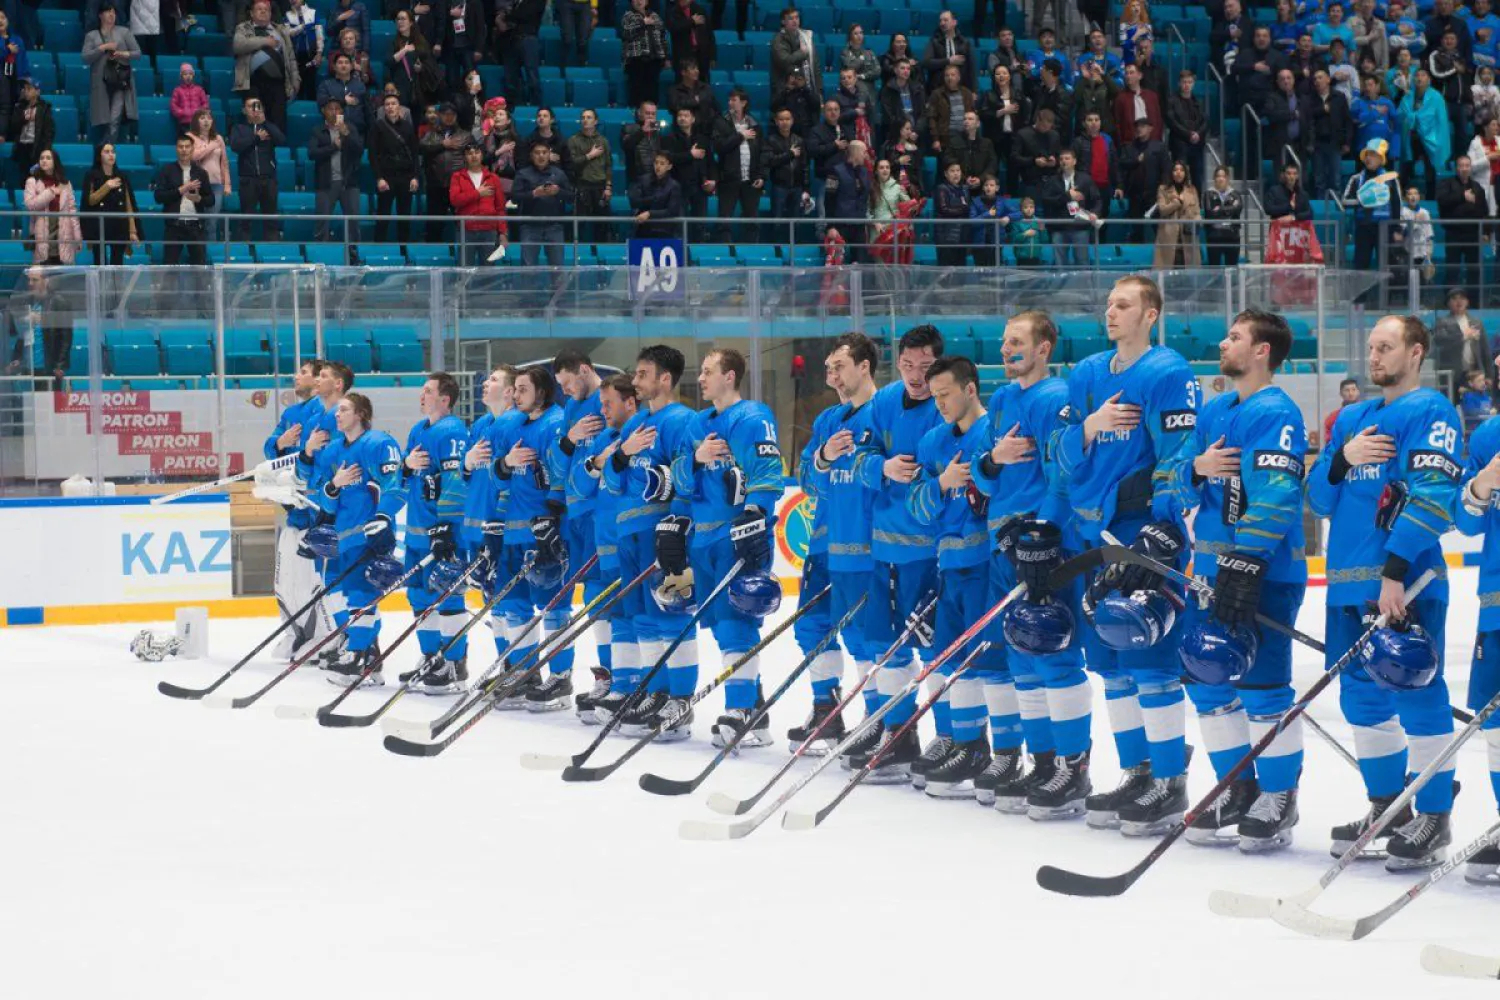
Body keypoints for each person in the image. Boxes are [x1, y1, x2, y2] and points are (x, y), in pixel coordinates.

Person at [1307, 315, 1461, 869]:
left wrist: (1395, 571)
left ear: (1416, 353)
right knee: (1362, 700)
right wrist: (1343, 459)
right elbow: (1320, 501)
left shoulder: (1431, 412)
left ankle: (1435, 815)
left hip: (1405, 583)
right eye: (1371, 347)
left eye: (1386, 346)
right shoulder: (1350, 418)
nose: (1374, 356)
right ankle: (1387, 808)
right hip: (1347, 588)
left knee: (1416, 690)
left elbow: (1434, 496)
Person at [1055, 275, 1198, 835]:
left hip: (1142, 532)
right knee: (1110, 664)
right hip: (1095, 535)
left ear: (1152, 315)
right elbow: (1060, 455)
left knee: (1148, 658)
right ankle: (1138, 773)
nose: (1110, 312)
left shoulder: (1168, 372)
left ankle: (1169, 780)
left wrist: (1163, 524)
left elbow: (1179, 453)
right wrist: (1089, 426)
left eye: (1124, 305)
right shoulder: (1088, 373)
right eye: (1108, 304)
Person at [1172, 311, 1310, 850]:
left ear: (1262, 352)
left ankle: (1279, 793)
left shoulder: (1276, 411)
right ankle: (1237, 786)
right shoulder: (1215, 410)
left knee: (1263, 687)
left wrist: (1247, 559)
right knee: (1206, 679)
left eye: (1234, 337)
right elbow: (1175, 480)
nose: (1223, 342)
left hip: (1262, 574)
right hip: (1207, 573)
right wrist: (1197, 469)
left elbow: (1276, 491)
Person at [967, 311, 1093, 816]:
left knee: (1054, 650)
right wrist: (993, 459)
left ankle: (1073, 767)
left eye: (1016, 341)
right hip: (1003, 541)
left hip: (1044, 545)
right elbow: (985, 474)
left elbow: (1064, 472)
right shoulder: (1000, 400)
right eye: (1003, 341)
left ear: (1044, 347)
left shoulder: (1058, 398)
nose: (1005, 349)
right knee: (1021, 653)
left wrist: (1044, 530)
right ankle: (1041, 762)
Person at [887, 354, 996, 796]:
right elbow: (916, 506)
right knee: (951, 660)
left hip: (988, 563)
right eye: (935, 396)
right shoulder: (934, 441)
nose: (941, 403)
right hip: (947, 564)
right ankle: (965, 743)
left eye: (946, 394)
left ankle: (993, 751)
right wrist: (941, 484)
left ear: (970, 389)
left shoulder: (994, 431)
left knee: (988, 660)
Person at [841, 325, 945, 779]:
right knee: (887, 648)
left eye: (925, 367)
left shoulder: (947, 405)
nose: (916, 376)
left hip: (931, 553)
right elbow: (860, 460)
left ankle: (950, 739)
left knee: (938, 649)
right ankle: (899, 735)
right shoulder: (883, 402)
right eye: (908, 366)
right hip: (884, 551)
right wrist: (882, 466)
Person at [668, 350, 783, 745]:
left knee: (738, 622)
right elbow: (680, 479)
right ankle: (755, 704)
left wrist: (756, 513)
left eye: (707, 371)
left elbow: (769, 472)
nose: (699, 378)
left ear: (730, 376)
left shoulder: (753, 417)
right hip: (703, 539)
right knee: (719, 625)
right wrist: (697, 460)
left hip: (738, 537)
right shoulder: (696, 424)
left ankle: (741, 710)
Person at [596, 346, 697, 735]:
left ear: (664, 380)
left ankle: (680, 701)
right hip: (628, 532)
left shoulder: (682, 421)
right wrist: (620, 458)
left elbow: (688, 477)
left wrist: (677, 518)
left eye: (642, 374)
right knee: (641, 617)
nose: (635, 382)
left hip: (661, 532)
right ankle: (656, 691)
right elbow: (612, 481)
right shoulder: (634, 425)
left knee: (668, 613)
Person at [790, 332, 880, 751]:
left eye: (839, 365)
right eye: (828, 367)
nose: (831, 374)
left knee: (864, 634)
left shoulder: (883, 413)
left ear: (864, 366)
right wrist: (823, 456)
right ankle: (826, 708)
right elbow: (808, 479)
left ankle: (875, 717)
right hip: (824, 546)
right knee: (812, 628)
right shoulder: (828, 420)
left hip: (864, 549)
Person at [303, 391, 407, 687]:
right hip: (343, 537)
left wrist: (383, 517)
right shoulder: (334, 451)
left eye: (344, 410)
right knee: (343, 594)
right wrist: (334, 486)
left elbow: (396, 486)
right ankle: (366, 652)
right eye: (337, 410)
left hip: (369, 535)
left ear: (360, 414)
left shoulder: (379, 444)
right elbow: (326, 500)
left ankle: (358, 655)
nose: (337, 414)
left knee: (362, 594)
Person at [567, 371, 641, 720]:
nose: (602, 410)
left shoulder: (641, 436)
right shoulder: (603, 438)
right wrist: (597, 462)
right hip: (601, 542)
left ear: (631, 402)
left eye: (608, 403)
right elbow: (578, 486)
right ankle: (611, 679)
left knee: (636, 617)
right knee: (600, 611)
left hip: (632, 543)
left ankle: (638, 684)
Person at [397, 372, 471, 694]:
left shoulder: (452, 430)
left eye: (428, 391)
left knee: (447, 593)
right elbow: (406, 477)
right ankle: (432, 658)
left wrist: (446, 526)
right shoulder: (417, 430)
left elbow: (455, 479)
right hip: (415, 531)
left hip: (441, 530)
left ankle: (455, 664)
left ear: (445, 398)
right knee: (418, 595)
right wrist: (406, 465)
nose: (421, 396)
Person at [542, 351, 608, 700]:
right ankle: (602, 677)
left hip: (601, 511)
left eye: (568, 383)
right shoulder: (571, 408)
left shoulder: (606, 398)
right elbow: (557, 455)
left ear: (585, 370)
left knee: (602, 597)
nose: (565, 392)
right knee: (588, 597)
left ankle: (613, 678)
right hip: (575, 513)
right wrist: (569, 439)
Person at [1454, 404, 1500, 883]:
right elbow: (1464, 525)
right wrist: (1481, 486)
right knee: (1497, 726)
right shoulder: (1489, 436)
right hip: (1496, 604)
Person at [261, 358, 330, 662]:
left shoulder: (326, 413)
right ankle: (296, 634)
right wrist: (281, 442)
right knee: (284, 579)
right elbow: (269, 447)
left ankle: (323, 637)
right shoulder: (291, 413)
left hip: (315, 511)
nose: (295, 376)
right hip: (294, 510)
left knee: (309, 581)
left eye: (303, 372)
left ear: (317, 381)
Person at [153, 135, 214, 304]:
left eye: (187, 146)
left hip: (196, 226)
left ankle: (202, 308)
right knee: (169, 268)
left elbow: (211, 200)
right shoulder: (167, 170)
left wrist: (199, 199)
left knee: (200, 269)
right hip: (174, 226)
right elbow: (158, 196)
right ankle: (165, 308)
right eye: (181, 146)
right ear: (176, 149)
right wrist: (181, 190)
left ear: (192, 149)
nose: (184, 150)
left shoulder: (201, 173)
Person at [234, 0, 299, 133]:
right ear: (251, 13)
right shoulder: (243, 28)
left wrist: (296, 79)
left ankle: (278, 152)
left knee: (278, 123)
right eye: (259, 9)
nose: (264, 11)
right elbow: (238, 46)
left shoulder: (281, 31)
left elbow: (291, 58)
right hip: (253, 85)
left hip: (278, 85)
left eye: (267, 9)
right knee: (255, 122)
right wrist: (265, 42)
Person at [308, 96, 364, 244]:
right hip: (326, 183)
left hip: (349, 183)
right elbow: (312, 153)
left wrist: (347, 134)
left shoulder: (350, 128)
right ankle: (321, 256)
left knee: (353, 225)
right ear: (323, 111)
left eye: (338, 108)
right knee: (322, 224)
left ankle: (354, 257)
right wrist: (333, 147)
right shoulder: (317, 131)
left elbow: (359, 150)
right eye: (330, 108)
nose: (334, 112)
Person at [82, 4, 140, 145]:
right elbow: (85, 57)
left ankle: (104, 149)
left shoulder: (124, 32)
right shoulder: (91, 35)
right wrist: (103, 48)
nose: (111, 15)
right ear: (100, 15)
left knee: (114, 119)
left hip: (120, 81)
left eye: (113, 12)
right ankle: (104, 151)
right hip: (102, 82)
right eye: (108, 12)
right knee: (106, 120)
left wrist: (122, 53)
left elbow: (137, 53)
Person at [229, 95, 283, 242]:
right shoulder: (238, 128)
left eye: (258, 106)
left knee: (271, 218)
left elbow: (281, 140)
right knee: (246, 219)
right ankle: (244, 252)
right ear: (244, 110)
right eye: (251, 107)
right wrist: (256, 139)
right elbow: (236, 146)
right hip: (248, 179)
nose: (255, 110)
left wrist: (265, 122)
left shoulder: (269, 127)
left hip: (269, 178)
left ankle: (272, 252)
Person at [1343, 139, 1402, 272]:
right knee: (1361, 265)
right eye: (1367, 155)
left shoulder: (1390, 179)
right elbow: (1345, 201)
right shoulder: (1356, 179)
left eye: (1373, 155)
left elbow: (1396, 205)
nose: (1369, 158)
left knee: (1387, 266)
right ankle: (1361, 294)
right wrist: (1363, 198)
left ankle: (1389, 294)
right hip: (1363, 227)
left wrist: (1397, 229)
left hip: (1385, 228)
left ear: (1381, 159)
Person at [711, 89, 762, 242]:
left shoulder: (754, 123)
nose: (730, 103)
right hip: (729, 178)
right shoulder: (721, 121)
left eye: (734, 100)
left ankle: (752, 253)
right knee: (724, 219)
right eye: (729, 99)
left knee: (752, 220)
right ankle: (725, 253)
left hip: (750, 179)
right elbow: (719, 147)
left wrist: (760, 175)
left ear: (743, 103)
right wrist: (740, 136)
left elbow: (761, 152)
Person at [421, 102, 475, 242]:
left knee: (463, 222)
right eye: (446, 114)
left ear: (456, 116)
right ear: (439, 115)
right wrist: (442, 145)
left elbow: (477, 155)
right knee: (434, 225)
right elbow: (421, 149)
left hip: (459, 186)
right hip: (435, 184)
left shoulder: (466, 135)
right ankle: (433, 258)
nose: (449, 117)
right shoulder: (430, 134)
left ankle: (464, 255)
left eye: (452, 114)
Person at [510, 140, 570, 266]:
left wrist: (558, 191)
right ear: (531, 155)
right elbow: (515, 197)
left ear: (549, 155)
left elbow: (571, 197)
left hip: (554, 226)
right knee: (528, 268)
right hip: (529, 226)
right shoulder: (522, 173)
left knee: (557, 268)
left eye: (544, 152)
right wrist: (533, 194)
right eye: (537, 153)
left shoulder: (559, 173)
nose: (541, 156)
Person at [81, 142, 139, 265]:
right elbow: (90, 200)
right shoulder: (91, 175)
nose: (111, 155)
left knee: (117, 265)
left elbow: (128, 204)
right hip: (99, 226)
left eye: (113, 151)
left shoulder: (122, 176)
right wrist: (106, 186)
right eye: (106, 152)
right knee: (99, 263)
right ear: (99, 155)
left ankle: (116, 285)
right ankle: (101, 285)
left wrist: (132, 231)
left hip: (119, 225)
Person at [1437, 154, 1488, 295]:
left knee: (1474, 270)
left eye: (1467, 166)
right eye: (1461, 166)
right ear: (1456, 168)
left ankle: (1475, 303)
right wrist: (1462, 196)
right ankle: (1449, 302)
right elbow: (1442, 201)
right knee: (1452, 270)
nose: (1464, 169)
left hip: (1473, 235)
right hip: (1454, 234)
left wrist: (1486, 232)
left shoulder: (1477, 187)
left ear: (1471, 168)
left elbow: (1484, 211)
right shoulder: (1446, 184)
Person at [1432, 288, 1497, 397]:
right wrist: (1463, 336)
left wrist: (1489, 376)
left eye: (1462, 298)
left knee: (1475, 407)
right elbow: (1440, 341)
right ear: (1448, 303)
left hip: (1474, 373)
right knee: (1452, 404)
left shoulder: (1476, 322)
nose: (1459, 302)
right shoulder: (1442, 322)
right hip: (1452, 374)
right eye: (1454, 299)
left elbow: (1485, 350)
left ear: (1467, 302)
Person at [1042, 148, 1101, 266]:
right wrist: (1067, 196)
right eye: (1061, 159)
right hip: (1059, 227)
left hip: (1080, 227)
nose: (1064, 161)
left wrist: (1095, 213)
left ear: (1074, 161)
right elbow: (1046, 201)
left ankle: (1083, 285)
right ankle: (1062, 285)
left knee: (1082, 261)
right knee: (1060, 263)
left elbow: (1097, 199)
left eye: (1067, 158)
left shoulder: (1085, 179)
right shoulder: (1052, 180)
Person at [1400, 67, 1451, 198]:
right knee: (1406, 164)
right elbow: (1400, 114)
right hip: (1411, 136)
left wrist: (1415, 117)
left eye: (1423, 75)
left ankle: (1431, 196)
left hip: (1430, 138)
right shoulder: (1407, 96)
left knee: (1430, 166)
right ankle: (1401, 193)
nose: (1419, 78)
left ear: (1428, 80)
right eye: (1417, 75)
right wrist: (1412, 118)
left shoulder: (1436, 97)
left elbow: (1441, 120)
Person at [1120, 115, 1171, 240]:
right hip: (1135, 194)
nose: (1139, 129)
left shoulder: (1159, 147)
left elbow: (1166, 169)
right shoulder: (1128, 147)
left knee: (1159, 229)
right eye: (1137, 126)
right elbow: (1122, 165)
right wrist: (1136, 161)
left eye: (1143, 126)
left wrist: (1164, 187)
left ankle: (1162, 257)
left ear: (1150, 129)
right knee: (1136, 229)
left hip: (1154, 194)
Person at [566, 109, 613, 243]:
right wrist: (589, 156)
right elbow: (572, 164)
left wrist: (608, 186)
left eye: (589, 117)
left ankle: (603, 254)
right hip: (582, 185)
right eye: (583, 117)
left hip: (600, 185)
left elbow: (608, 165)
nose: (585, 120)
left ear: (596, 121)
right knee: (579, 225)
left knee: (603, 226)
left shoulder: (603, 141)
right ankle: (576, 255)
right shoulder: (573, 140)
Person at [664, 106, 713, 222]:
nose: (682, 118)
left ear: (693, 119)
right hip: (678, 186)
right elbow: (668, 158)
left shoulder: (702, 139)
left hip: (699, 187)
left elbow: (710, 162)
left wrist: (713, 180)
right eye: (680, 116)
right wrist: (690, 154)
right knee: (679, 224)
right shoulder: (669, 138)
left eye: (686, 116)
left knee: (700, 224)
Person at [187, 109, 230, 240]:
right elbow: (194, 156)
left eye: (209, 118)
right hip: (197, 185)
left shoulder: (218, 138)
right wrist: (211, 146)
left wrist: (227, 184)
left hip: (216, 185)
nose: (206, 121)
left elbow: (224, 163)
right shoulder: (190, 137)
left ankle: (210, 254)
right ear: (196, 121)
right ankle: (198, 254)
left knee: (212, 223)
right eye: (202, 118)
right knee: (197, 222)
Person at [764, 106, 806, 230]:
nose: (785, 122)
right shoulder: (770, 140)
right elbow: (771, 161)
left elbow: (804, 165)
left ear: (792, 121)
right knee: (777, 221)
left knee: (796, 221)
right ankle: (777, 249)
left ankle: (795, 248)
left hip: (797, 186)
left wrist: (806, 188)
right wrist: (790, 154)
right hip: (779, 186)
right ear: (776, 122)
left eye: (787, 119)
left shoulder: (799, 140)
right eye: (781, 119)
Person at [621, 0, 667, 111]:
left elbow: (662, 37)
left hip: (654, 59)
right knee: (637, 91)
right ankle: (636, 116)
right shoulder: (628, 16)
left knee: (652, 90)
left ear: (646, 2)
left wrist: (665, 56)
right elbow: (626, 33)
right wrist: (642, 23)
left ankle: (652, 115)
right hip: (636, 59)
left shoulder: (655, 16)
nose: (638, 1)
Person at [925, 64, 978, 160]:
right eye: (947, 75)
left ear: (958, 77)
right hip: (946, 137)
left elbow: (972, 114)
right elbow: (932, 118)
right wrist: (935, 139)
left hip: (964, 135)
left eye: (953, 75)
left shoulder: (967, 93)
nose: (950, 78)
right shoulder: (937, 94)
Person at [1154, 160, 1200, 267]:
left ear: (1185, 173)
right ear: (1171, 173)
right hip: (1168, 236)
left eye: (1181, 170)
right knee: (1167, 271)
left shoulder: (1192, 190)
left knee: (1188, 272)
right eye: (1175, 170)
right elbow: (1162, 210)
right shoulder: (1163, 189)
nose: (1178, 172)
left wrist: (1197, 220)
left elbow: (1197, 211)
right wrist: (1177, 202)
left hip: (1188, 236)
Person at [629, 151, 683, 238]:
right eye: (656, 162)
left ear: (669, 166)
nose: (658, 166)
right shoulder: (644, 180)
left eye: (662, 163)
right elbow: (634, 202)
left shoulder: (674, 186)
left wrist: (650, 213)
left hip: (665, 230)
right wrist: (653, 199)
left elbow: (672, 211)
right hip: (644, 229)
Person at [921, 9, 977, 92]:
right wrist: (948, 61)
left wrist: (973, 91)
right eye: (940, 21)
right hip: (938, 89)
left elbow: (971, 68)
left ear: (954, 22)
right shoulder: (934, 41)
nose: (942, 23)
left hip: (961, 89)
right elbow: (926, 62)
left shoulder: (965, 42)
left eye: (945, 20)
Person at [771, 6, 820, 100]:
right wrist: (802, 53)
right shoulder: (778, 40)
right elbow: (784, 61)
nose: (795, 21)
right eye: (790, 18)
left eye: (797, 17)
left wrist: (819, 89)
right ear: (783, 22)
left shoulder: (806, 38)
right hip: (786, 90)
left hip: (808, 89)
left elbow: (815, 65)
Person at [1012, 107, 1062, 198]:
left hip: (1051, 180)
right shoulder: (1023, 134)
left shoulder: (1054, 135)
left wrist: (1055, 162)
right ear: (1037, 120)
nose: (1045, 129)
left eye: (1048, 127)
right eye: (1043, 126)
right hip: (1030, 180)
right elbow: (1015, 158)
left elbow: (1059, 156)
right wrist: (1034, 161)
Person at [8, 77, 53, 179]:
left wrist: (46, 151)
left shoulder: (44, 108)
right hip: (22, 148)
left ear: (37, 91)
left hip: (36, 148)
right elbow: (13, 127)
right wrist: (23, 119)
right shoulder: (20, 106)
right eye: (24, 89)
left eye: (29, 89)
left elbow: (49, 132)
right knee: (23, 178)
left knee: (37, 178)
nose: (25, 92)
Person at [317, 52, 368, 137]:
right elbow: (322, 105)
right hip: (333, 131)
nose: (343, 65)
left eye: (346, 62)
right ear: (334, 67)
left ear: (352, 66)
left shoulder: (360, 86)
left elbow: (367, 110)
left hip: (358, 132)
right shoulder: (325, 85)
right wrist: (343, 101)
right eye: (340, 63)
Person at [283, 0, 324, 102]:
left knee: (311, 86)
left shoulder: (313, 12)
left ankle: (312, 111)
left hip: (311, 56)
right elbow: (287, 33)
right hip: (295, 58)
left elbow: (319, 34)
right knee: (297, 87)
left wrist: (319, 53)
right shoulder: (287, 15)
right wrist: (302, 26)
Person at [933, 158, 972, 266]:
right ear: (945, 174)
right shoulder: (941, 188)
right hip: (946, 236)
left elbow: (968, 209)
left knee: (960, 270)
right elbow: (944, 210)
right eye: (952, 171)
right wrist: (963, 209)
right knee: (946, 271)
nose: (956, 174)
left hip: (962, 235)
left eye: (958, 170)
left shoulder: (965, 189)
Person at [1203, 165, 1244, 266]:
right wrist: (1229, 209)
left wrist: (1219, 209)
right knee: (1214, 270)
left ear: (1228, 179)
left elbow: (1238, 209)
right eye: (1218, 176)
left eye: (1223, 176)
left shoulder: (1235, 194)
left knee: (1232, 269)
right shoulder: (1208, 194)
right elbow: (1210, 213)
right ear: (1214, 179)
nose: (1220, 179)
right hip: (1214, 236)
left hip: (1232, 235)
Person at [1114, 63, 1164, 144]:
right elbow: (1118, 124)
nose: (1128, 76)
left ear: (1140, 76)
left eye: (1131, 72)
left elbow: (1158, 121)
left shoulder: (1152, 96)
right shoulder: (1120, 98)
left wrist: (1158, 140)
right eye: (1126, 73)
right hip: (1130, 143)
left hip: (1152, 142)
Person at [666, 0, 714, 81]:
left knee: (703, 85)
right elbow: (674, 28)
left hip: (701, 55)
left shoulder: (700, 10)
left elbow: (709, 34)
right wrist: (692, 21)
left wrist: (713, 56)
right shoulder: (672, 11)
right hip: (683, 57)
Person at [666, 58, 719, 123]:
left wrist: (689, 102)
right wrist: (695, 101)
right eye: (693, 68)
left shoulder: (705, 88)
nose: (697, 71)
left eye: (697, 68)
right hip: (683, 127)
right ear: (683, 72)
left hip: (705, 127)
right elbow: (675, 106)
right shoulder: (674, 90)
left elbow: (714, 107)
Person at [170, 62, 209, 134]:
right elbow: (173, 106)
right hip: (183, 123)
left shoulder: (199, 89)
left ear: (193, 76)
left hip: (198, 122)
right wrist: (183, 112)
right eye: (185, 74)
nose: (188, 76)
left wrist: (199, 112)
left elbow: (205, 104)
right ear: (181, 76)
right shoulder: (177, 90)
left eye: (190, 74)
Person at [556, 0, 592, 68]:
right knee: (567, 38)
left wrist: (594, 6)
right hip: (566, 3)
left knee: (583, 40)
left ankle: (582, 68)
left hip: (585, 4)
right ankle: (562, 68)